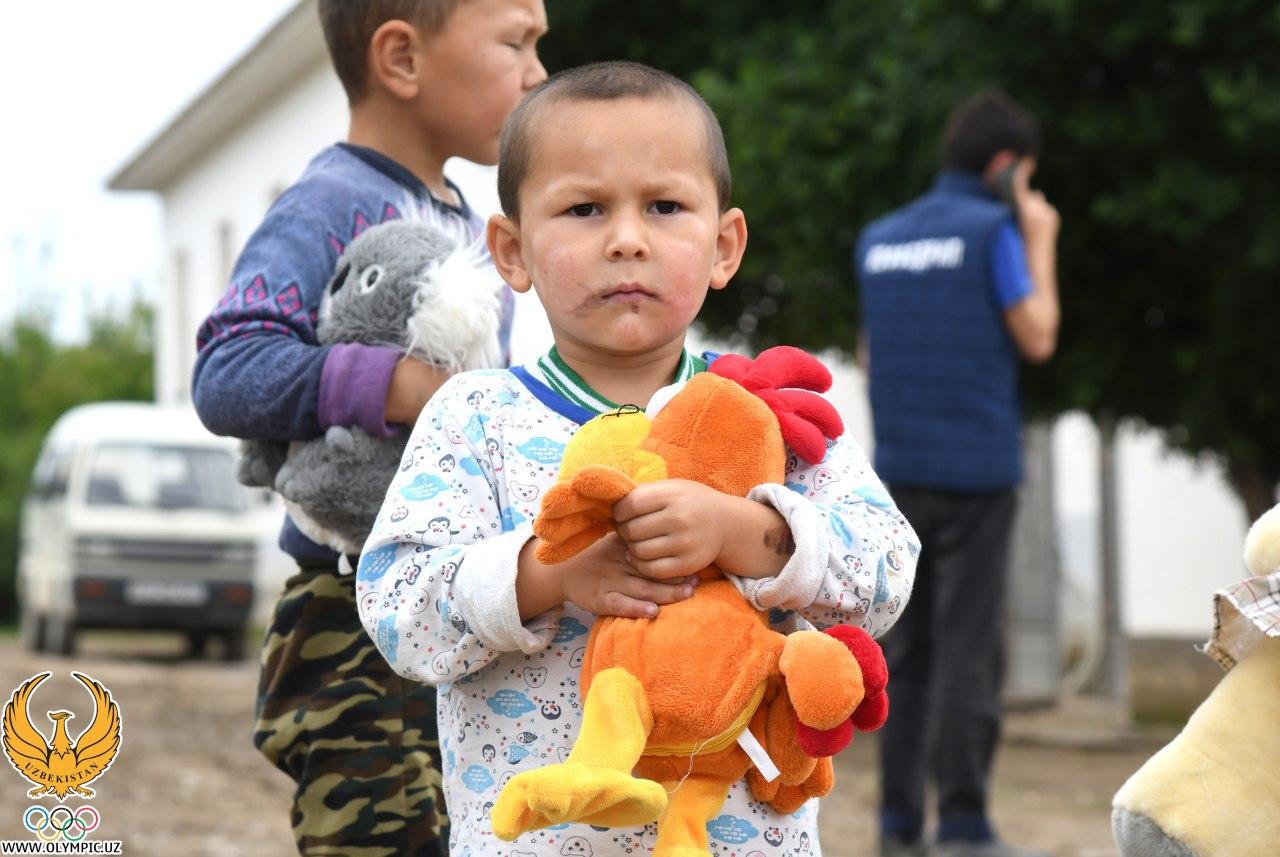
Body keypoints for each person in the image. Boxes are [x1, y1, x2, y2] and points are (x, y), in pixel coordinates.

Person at [356, 61, 920, 856]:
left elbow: (888, 573)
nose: (627, 239)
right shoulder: (475, 416)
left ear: (724, 245)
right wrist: (548, 573)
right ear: (512, 250)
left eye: (664, 206)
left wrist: (747, 532)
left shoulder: (767, 414)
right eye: (584, 209)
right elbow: (396, 609)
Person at [190, 1, 547, 853]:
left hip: (452, 603)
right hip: (347, 615)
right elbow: (227, 368)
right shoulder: (327, 204)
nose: (539, 74)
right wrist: (395, 385)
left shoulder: (466, 219)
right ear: (402, 59)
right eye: (516, 42)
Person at [854, 91, 1061, 857]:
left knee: (906, 656)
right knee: (969, 651)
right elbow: (1038, 334)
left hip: (898, 472)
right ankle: (966, 823)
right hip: (977, 475)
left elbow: (870, 352)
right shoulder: (993, 230)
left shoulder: (878, 239)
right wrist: (1039, 237)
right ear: (1005, 167)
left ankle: (897, 824)